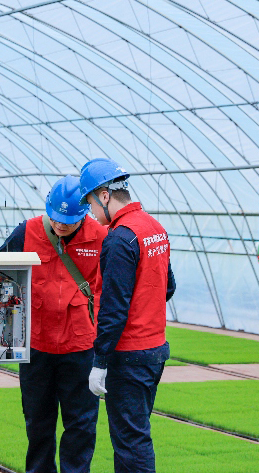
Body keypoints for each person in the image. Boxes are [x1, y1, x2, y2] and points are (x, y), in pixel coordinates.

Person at [0, 175, 108, 473]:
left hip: (81, 348)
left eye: (69, 221)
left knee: (81, 425)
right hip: (37, 347)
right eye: (56, 219)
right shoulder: (27, 231)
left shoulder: (101, 237)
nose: (61, 226)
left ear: (85, 211)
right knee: (37, 423)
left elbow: (111, 289)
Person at [80, 158, 175, 473]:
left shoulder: (120, 238)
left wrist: (100, 362)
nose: (91, 213)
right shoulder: (153, 228)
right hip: (155, 351)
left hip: (129, 357)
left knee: (132, 443)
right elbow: (168, 287)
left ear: (104, 195)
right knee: (134, 434)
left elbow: (113, 308)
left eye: (90, 203)